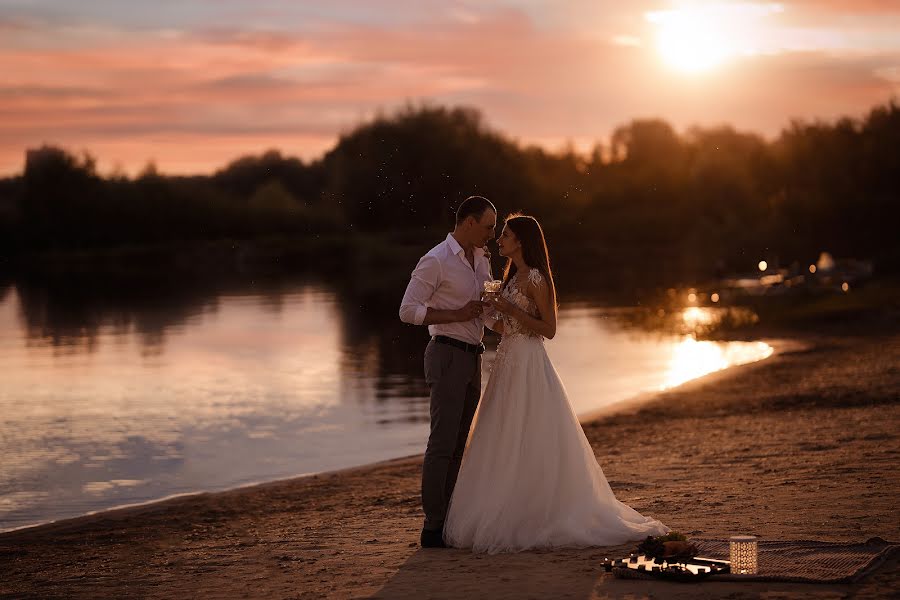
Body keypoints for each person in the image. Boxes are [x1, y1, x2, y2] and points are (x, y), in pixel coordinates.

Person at [443, 213, 669, 554]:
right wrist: (490, 314)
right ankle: (506, 502)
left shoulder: (535, 278)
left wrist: (510, 309)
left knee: (531, 432)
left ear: (520, 241)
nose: (499, 239)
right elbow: (507, 329)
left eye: (505, 234)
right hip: (507, 362)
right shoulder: (510, 278)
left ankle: (538, 511)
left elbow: (548, 329)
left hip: (530, 364)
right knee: (502, 433)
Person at [399, 195, 497, 548]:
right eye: (488, 226)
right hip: (446, 354)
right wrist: (457, 314)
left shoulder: (482, 260)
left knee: (459, 444)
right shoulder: (435, 260)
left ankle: (450, 520)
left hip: (473, 357)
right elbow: (407, 311)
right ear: (468, 222)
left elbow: (485, 314)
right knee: (441, 444)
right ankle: (432, 527)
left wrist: (509, 318)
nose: (492, 234)